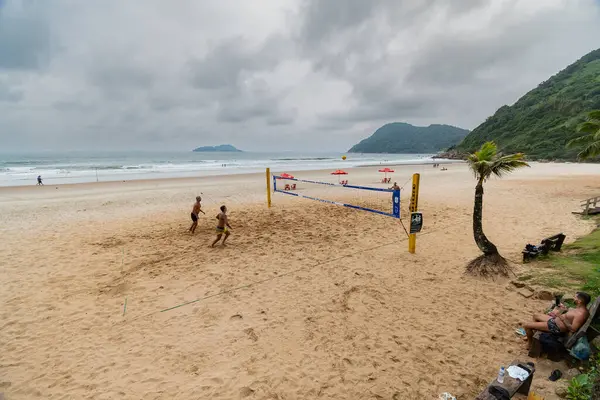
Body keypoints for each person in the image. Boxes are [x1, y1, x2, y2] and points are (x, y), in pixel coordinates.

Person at [522, 292, 591, 347]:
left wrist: (561, 317)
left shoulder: (580, 314)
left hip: (556, 327)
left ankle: (530, 344)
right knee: (535, 315)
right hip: (555, 321)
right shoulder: (580, 308)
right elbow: (571, 316)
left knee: (526, 325)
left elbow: (573, 329)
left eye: (575, 297)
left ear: (579, 301)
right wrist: (565, 310)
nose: (573, 298)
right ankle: (531, 335)